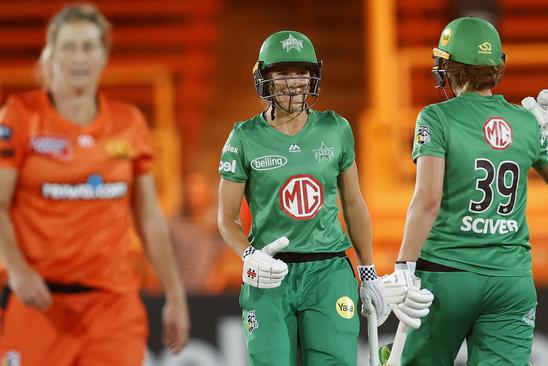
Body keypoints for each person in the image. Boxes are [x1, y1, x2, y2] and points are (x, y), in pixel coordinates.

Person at [0, 4, 189, 365]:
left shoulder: (128, 123)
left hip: (112, 308)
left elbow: (149, 218)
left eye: (88, 47)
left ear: (104, 56)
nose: (79, 58)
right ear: (51, 55)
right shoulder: (21, 117)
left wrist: (175, 294)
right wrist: (19, 271)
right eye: (68, 47)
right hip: (36, 303)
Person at [386, 16, 548, 365]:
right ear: (498, 66)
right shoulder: (524, 121)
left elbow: (427, 200)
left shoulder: (436, 118)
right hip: (511, 279)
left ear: (450, 67)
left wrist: (404, 266)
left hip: (447, 274)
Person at [217, 30, 390, 366]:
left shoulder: (336, 128)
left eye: (301, 72)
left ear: (313, 76)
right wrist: (249, 255)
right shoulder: (243, 136)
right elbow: (226, 217)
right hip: (269, 273)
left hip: (328, 270)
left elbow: (354, 204)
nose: (294, 82)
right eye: (283, 73)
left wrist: (368, 272)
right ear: (265, 78)